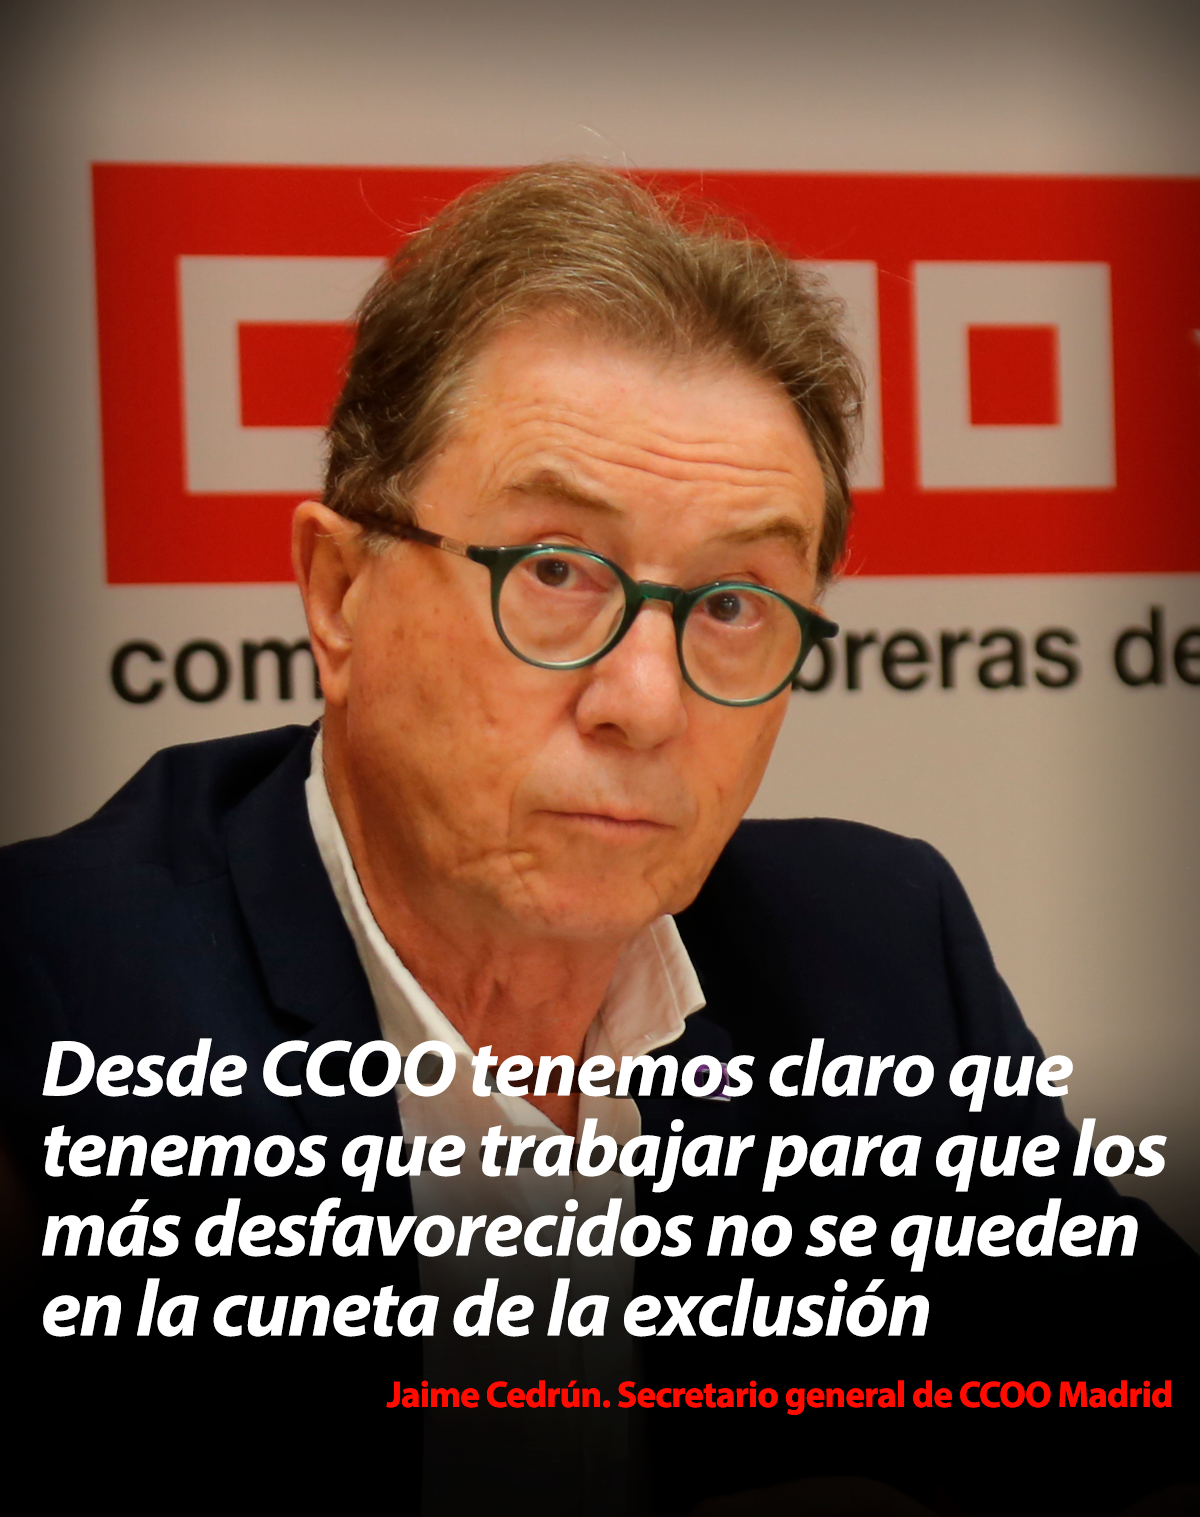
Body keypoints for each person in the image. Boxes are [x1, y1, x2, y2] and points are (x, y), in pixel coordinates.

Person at [0, 165, 1193, 1516]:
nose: (647, 703)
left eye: (734, 602)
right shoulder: (53, 1005)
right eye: (556, 573)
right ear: (339, 594)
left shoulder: (874, 958)